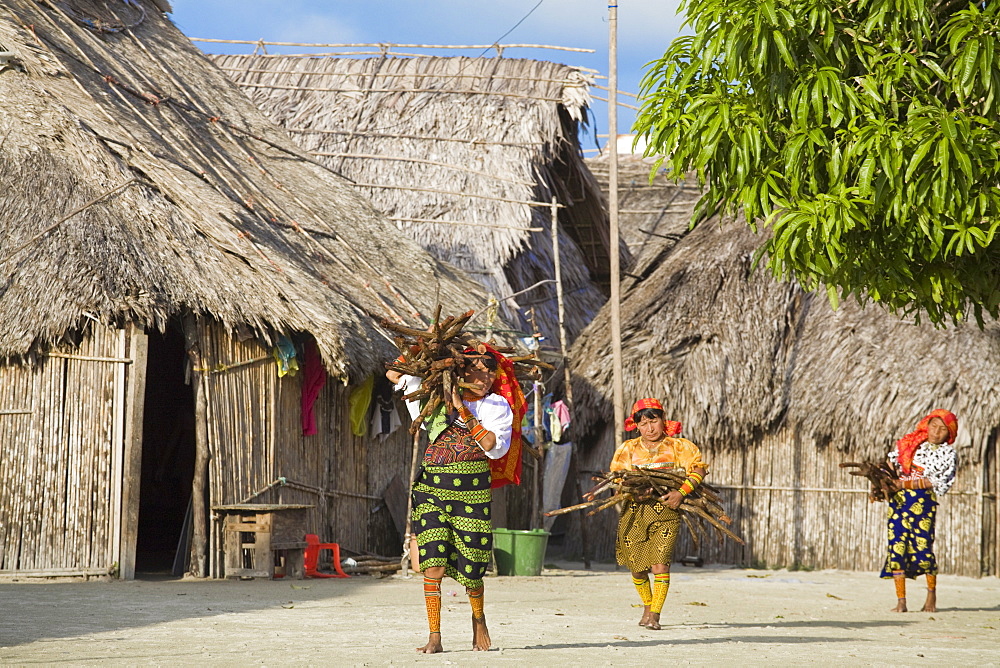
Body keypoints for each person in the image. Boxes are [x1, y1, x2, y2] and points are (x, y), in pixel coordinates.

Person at [387, 349, 523, 654]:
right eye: (478, 370)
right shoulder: (434, 400)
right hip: (432, 489)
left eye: (490, 372)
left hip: (471, 495)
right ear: (461, 373)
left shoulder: (496, 405)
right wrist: (428, 351)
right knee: (432, 564)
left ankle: (479, 619)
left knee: (473, 568)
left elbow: (491, 446)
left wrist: (463, 410)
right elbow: (394, 374)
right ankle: (434, 635)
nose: (486, 377)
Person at [609, 398, 707, 630]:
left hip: (666, 511)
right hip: (634, 511)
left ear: (664, 420)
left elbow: (699, 468)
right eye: (643, 423)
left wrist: (681, 493)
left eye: (653, 421)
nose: (649, 428)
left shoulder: (679, 446)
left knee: (660, 564)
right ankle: (646, 604)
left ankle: (655, 613)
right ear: (636, 426)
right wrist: (633, 491)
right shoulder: (628, 449)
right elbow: (616, 480)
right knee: (637, 567)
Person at [881, 409, 958, 613]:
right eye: (933, 426)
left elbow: (935, 482)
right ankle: (901, 601)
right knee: (896, 546)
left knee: (923, 547)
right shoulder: (911, 444)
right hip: (898, 504)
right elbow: (891, 465)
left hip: (923, 505)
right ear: (926, 425)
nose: (936, 432)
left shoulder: (948, 454)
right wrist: (883, 482)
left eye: (942, 429)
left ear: (949, 433)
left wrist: (903, 485)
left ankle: (931, 595)